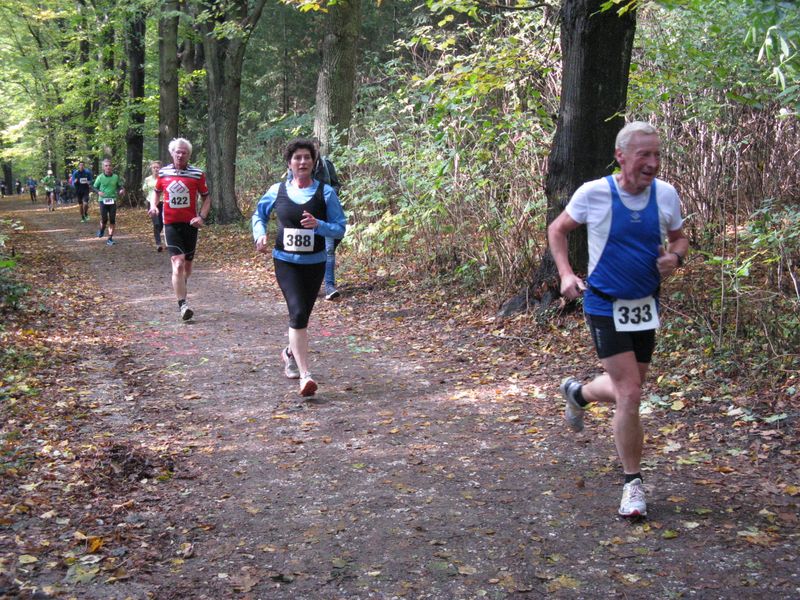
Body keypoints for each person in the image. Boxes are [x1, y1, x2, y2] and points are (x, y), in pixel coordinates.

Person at [547, 121, 689, 518]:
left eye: (657, 154)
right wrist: (565, 275)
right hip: (604, 304)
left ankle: (578, 394)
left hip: (645, 304)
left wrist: (675, 257)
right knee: (630, 393)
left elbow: (680, 238)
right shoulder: (594, 193)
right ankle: (633, 485)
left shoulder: (666, 194)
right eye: (644, 154)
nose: (653, 163)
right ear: (621, 156)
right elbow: (557, 230)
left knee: (632, 387)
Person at [252, 138, 346, 397]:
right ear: (289, 163)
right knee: (297, 313)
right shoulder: (277, 190)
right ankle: (306, 376)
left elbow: (340, 228)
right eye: (297, 158)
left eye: (307, 157)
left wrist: (320, 225)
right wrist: (259, 233)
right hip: (286, 262)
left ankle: (289, 352)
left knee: (302, 316)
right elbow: (259, 215)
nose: (302, 162)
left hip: (315, 263)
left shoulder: (326, 193)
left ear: (314, 163)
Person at [149, 138, 211, 322]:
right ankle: (183, 305)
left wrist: (201, 217)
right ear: (172, 153)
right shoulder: (164, 172)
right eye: (178, 151)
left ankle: (180, 286)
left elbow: (206, 198)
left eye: (184, 152)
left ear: (189, 155)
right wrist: (154, 206)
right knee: (178, 263)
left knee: (187, 267)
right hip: (170, 224)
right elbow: (156, 192)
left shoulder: (197, 174)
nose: (180, 155)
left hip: (190, 225)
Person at [92, 158, 126, 246]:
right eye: (106, 166)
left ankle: (110, 238)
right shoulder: (100, 177)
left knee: (112, 219)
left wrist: (121, 190)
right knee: (104, 219)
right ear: (103, 167)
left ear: (112, 167)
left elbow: (119, 186)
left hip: (112, 200)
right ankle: (102, 229)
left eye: (110, 165)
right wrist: (98, 192)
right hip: (102, 200)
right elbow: (94, 187)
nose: (108, 167)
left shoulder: (115, 177)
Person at [142, 160, 164, 252]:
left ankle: (156, 234)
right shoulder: (147, 179)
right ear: (151, 169)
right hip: (151, 203)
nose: (156, 169)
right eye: (154, 167)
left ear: (160, 168)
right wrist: (149, 198)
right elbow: (144, 189)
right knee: (156, 223)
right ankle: (158, 244)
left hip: (162, 202)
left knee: (161, 223)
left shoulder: (163, 178)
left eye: (157, 167)